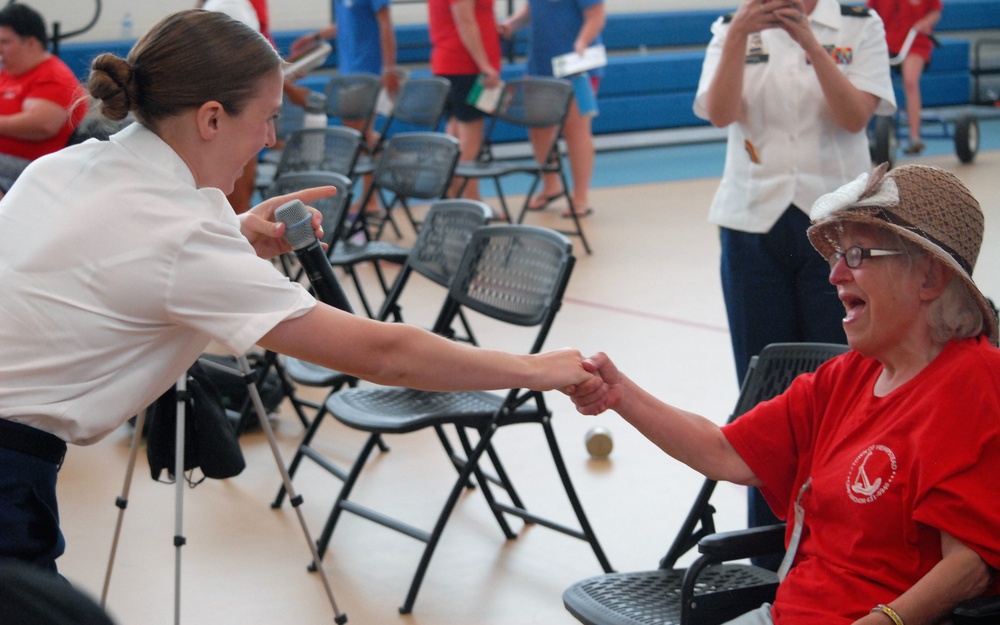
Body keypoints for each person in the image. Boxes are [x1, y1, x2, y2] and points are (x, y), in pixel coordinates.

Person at [0, 9, 594, 575]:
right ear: (211, 118)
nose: (270, 138)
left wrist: (232, 235)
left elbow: (117, 254)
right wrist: (533, 368)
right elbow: (386, 355)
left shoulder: (63, 168)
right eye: (267, 118)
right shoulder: (184, 237)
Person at [569, 163, 1000, 624]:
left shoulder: (975, 384)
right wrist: (620, 393)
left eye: (857, 255)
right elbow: (724, 451)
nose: (835, 275)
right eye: (837, 257)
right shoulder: (847, 376)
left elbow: (968, 567)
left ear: (930, 278)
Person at [692, 0, 897, 551]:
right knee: (763, 392)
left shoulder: (858, 23)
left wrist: (810, 41)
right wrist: (738, 34)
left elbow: (856, 116)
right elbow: (718, 111)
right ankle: (767, 544)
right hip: (750, 222)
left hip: (838, 227)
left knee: (842, 382)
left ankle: (838, 537)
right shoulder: (730, 27)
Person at [498, 0, 606, 218]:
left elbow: (596, 16)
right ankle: (551, 185)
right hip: (540, 66)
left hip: (576, 66)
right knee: (538, 130)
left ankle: (580, 197)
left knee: (575, 130)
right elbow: (530, 12)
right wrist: (511, 24)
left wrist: (582, 42)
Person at [0, 3, 87, 197]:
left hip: (28, 169)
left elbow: (43, 125)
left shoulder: (53, 77)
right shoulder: (7, 73)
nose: (0, 49)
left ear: (30, 42)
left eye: (5, 42)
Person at [428, 0, 502, 201]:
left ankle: (455, 194)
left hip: (450, 63)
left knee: (454, 130)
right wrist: (484, 64)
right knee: (470, 134)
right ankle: (470, 198)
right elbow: (465, 21)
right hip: (465, 65)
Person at [867, 0, 942, 155]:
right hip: (884, 41)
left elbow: (935, 12)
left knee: (910, 81)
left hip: (914, 40)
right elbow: (869, 11)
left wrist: (925, 22)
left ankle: (914, 136)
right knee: (870, 81)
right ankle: (867, 130)